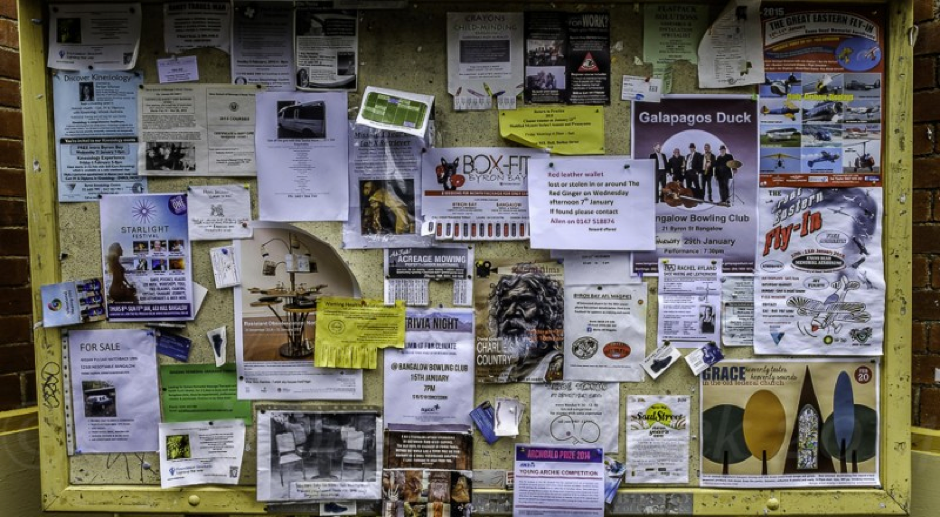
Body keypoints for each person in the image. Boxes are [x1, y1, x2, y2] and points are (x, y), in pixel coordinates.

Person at [489, 271, 564, 382]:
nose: (510, 312)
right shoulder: (505, 375)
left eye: (524, 301)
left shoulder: (557, 364)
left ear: (546, 309)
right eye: (505, 304)